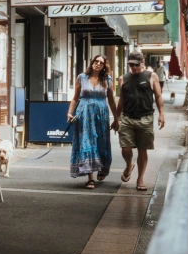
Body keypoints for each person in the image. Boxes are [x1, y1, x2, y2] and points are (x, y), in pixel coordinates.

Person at [115, 51, 165, 192]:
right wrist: (116, 118)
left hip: (145, 118)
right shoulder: (123, 78)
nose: (134, 68)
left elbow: (158, 96)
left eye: (136, 65)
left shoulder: (151, 76)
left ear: (142, 63)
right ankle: (129, 164)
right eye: (131, 65)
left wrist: (162, 114)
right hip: (127, 118)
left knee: (142, 150)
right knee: (126, 148)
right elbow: (121, 101)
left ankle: (140, 178)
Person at [67, 54, 118, 189]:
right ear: (92, 62)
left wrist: (117, 118)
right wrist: (69, 112)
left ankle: (102, 169)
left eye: (101, 63)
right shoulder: (82, 78)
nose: (98, 64)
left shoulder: (107, 79)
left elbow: (112, 100)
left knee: (101, 142)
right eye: (96, 61)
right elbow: (75, 98)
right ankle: (90, 178)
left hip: (101, 115)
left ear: (104, 66)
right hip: (84, 115)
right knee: (87, 142)